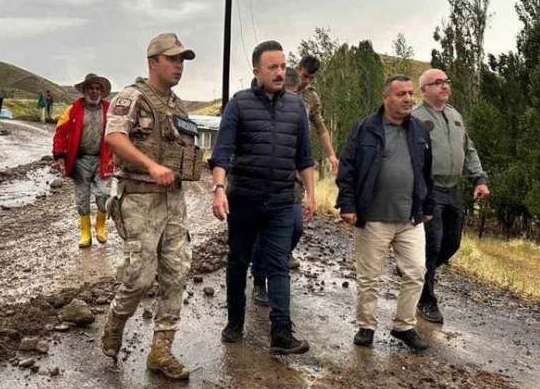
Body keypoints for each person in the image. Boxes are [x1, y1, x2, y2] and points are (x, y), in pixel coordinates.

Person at [100, 33, 202, 381]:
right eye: (172, 59)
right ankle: (116, 320)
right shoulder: (132, 98)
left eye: (182, 61)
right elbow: (114, 138)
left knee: (176, 272)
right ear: (153, 62)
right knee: (140, 277)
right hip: (139, 198)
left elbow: (185, 148)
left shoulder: (178, 107)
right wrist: (151, 166)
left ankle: (161, 352)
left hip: (174, 200)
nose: (179, 66)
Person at [209, 40, 317, 355]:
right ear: (257, 71)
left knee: (279, 265)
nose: (280, 72)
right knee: (238, 261)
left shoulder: (297, 107)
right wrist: (218, 190)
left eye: (283, 66)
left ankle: (281, 334)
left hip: (283, 200)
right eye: (273, 67)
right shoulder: (239, 104)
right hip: (244, 198)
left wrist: (310, 194)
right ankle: (235, 321)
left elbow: (305, 157)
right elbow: (222, 154)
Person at [336, 75, 434, 351]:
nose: (408, 99)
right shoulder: (365, 129)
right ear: (386, 97)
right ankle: (366, 326)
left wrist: (428, 206)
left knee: (416, 272)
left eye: (410, 94)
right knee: (370, 276)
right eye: (401, 94)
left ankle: (404, 326)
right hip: (373, 218)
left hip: (410, 218)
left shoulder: (419, 131)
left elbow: (427, 172)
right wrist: (348, 204)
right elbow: (348, 169)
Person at [411, 69, 489, 325]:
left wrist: (479, 178)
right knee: (432, 244)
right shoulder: (415, 119)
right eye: (437, 83)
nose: (444, 86)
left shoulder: (455, 116)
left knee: (452, 242)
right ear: (424, 90)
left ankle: (418, 271)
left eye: (446, 82)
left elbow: (469, 148)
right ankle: (425, 300)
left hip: (453, 188)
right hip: (428, 189)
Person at [249, 67, 305, 306]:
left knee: (296, 227)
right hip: (259, 188)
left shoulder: (297, 109)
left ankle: (277, 258)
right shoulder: (252, 107)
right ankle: (260, 281)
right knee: (262, 236)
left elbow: (304, 149)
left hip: (290, 187)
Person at [53, 73, 114, 249]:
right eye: (91, 88)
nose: (94, 92)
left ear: (102, 91)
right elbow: (60, 132)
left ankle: (101, 227)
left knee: (103, 194)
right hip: (80, 160)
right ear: (85, 90)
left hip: (103, 159)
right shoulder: (74, 109)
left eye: (98, 88)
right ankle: (85, 233)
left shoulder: (110, 110)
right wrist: (60, 155)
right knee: (82, 198)